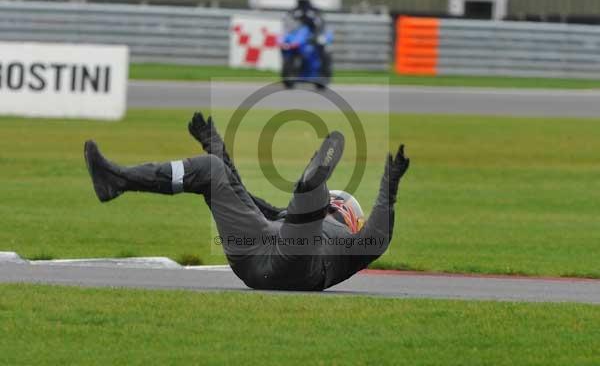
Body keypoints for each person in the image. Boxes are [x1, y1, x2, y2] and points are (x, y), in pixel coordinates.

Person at [83, 112, 410, 291]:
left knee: (307, 197)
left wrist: (389, 187)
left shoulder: (352, 248)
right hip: (255, 252)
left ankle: (312, 181)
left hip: (299, 268)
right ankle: (117, 180)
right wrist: (214, 145)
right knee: (211, 171)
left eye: (337, 205)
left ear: (350, 217)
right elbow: (240, 195)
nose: (334, 208)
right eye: (333, 203)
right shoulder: (286, 215)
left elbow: (377, 238)